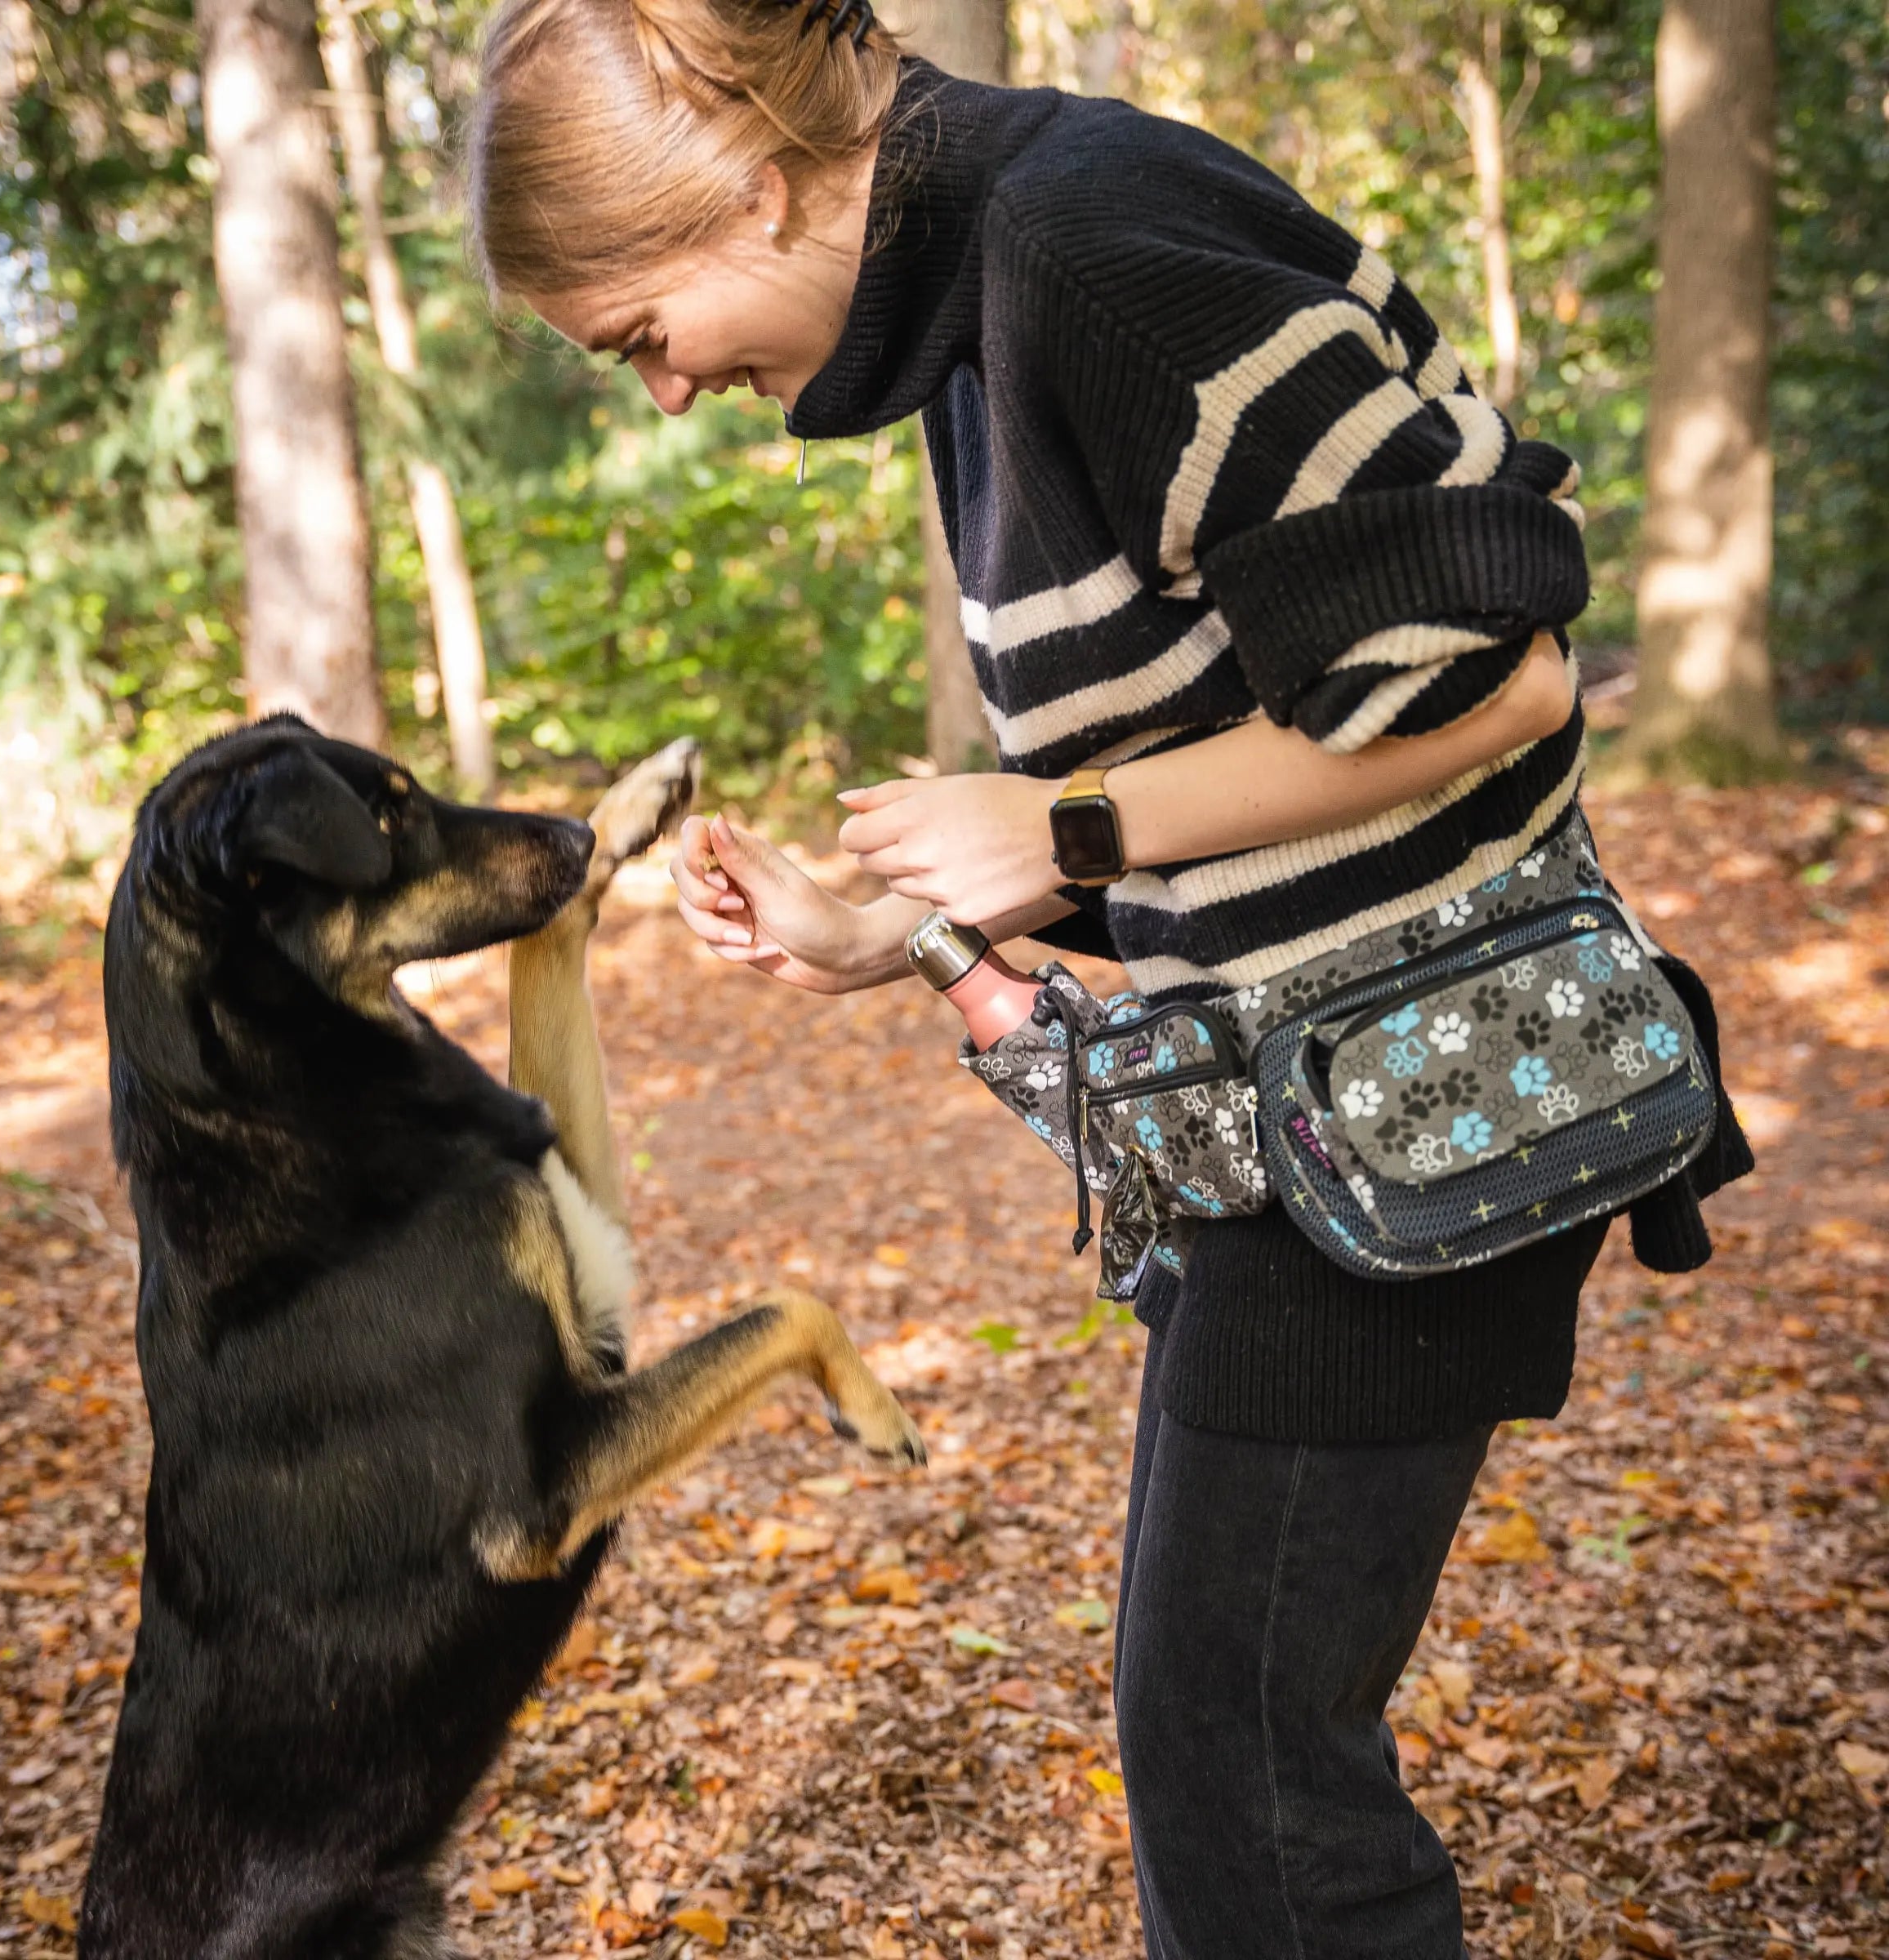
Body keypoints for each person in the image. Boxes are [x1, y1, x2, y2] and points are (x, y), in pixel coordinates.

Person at [469, 7, 1616, 1953]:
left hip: (1424, 1106)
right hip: (1299, 1139)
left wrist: (1068, 826)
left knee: (1251, 1781)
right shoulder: (979, 323)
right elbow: (1249, 770)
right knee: (1222, 1746)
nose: (662, 394)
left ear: (754, 189)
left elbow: (1496, 672)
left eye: (640, 333)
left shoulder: (1082, 249)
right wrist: (897, 933)